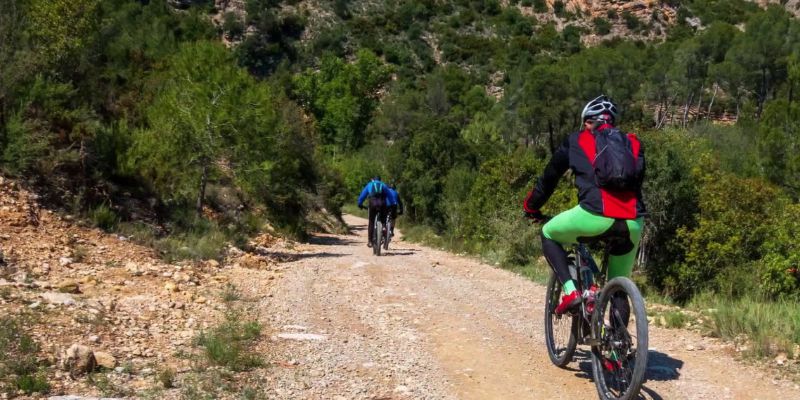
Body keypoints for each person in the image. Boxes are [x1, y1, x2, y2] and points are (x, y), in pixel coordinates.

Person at [523, 95, 646, 318]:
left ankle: (571, 293)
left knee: (547, 233)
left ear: (588, 122)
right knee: (619, 287)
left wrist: (531, 207)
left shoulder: (576, 140)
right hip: (633, 222)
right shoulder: (634, 143)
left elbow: (548, 179)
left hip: (593, 215)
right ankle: (618, 349)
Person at [357, 176, 388, 247]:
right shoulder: (383, 185)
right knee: (383, 216)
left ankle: (370, 241)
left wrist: (360, 203)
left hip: (372, 204)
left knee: (371, 221)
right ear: (380, 180)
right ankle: (383, 226)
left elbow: (363, 195)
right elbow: (390, 196)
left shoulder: (370, 184)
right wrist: (392, 204)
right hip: (382, 204)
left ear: (373, 179)